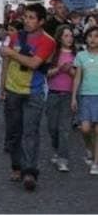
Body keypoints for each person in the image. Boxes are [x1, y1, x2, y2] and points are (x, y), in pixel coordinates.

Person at [0, 3, 56, 191]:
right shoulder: (13, 36)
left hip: (34, 92)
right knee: (14, 131)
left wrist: (11, 52)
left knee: (30, 132)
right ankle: (16, 165)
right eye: (26, 17)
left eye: (32, 18)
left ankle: (30, 172)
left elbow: (33, 63)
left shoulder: (48, 41)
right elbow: (5, 61)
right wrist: (2, 86)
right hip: (13, 90)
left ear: (41, 21)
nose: (27, 21)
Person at [43, 25, 77, 172]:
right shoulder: (53, 54)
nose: (69, 38)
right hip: (53, 93)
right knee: (52, 127)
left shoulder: (77, 55)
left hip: (68, 94)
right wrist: (59, 69)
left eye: (71, 35)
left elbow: (79, 77)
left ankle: (63, 159)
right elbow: (46, 73)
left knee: (64, 129)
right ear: (60, 37)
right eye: (66, 36)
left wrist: (71, 71)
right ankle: (57, 150)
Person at [71, 26, 98, 176]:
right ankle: (89, 148)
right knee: (86, 129)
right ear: (86, 38)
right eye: (90, 36)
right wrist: (74, 96)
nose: (93, 39)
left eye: (96, 36)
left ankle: (96, 162)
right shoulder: (81, 56)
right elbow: (77, 78)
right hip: (85, 96)